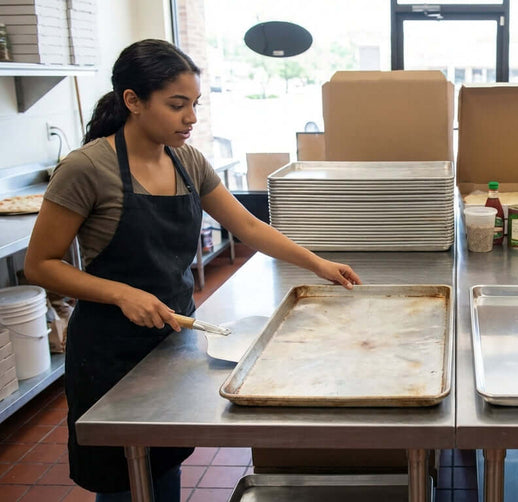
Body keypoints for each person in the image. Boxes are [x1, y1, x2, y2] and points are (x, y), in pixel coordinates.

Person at [24, 39, 361, 501]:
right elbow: (40, 265)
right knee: (124, 480)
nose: (192, 118)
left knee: (162, 467)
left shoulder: (187, 162)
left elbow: (244, 224)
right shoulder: (87, 168)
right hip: (109, 353)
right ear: (133, 101)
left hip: (171, 340)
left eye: (195, 104)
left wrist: (316, 263)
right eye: (177, 105)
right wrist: (122, 294)